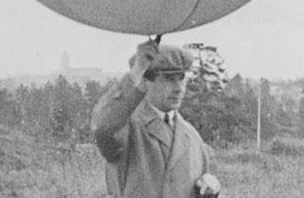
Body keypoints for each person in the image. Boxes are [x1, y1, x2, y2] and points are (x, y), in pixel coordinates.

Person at [91, 41, 223, 197]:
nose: (178, 87)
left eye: (181, 78)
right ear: (146, 80)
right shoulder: (126, 128)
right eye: (168, 78)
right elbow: (102, 126)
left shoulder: (192, 137)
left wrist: (211, 191)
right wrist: (136, 71)